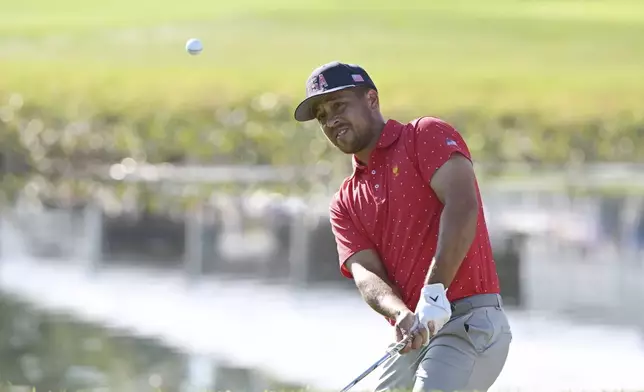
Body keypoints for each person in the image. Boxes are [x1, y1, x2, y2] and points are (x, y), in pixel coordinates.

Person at [293, 61, 513, 392]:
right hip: (413, 335)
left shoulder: (424, 136)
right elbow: (366, 274)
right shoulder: (346, 201)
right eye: (322, 116)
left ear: (371, 99)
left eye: (339, 105)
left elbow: (463, 206)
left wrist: (435, 291)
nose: (331, 120)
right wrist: (400, 314)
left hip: (469, 323)